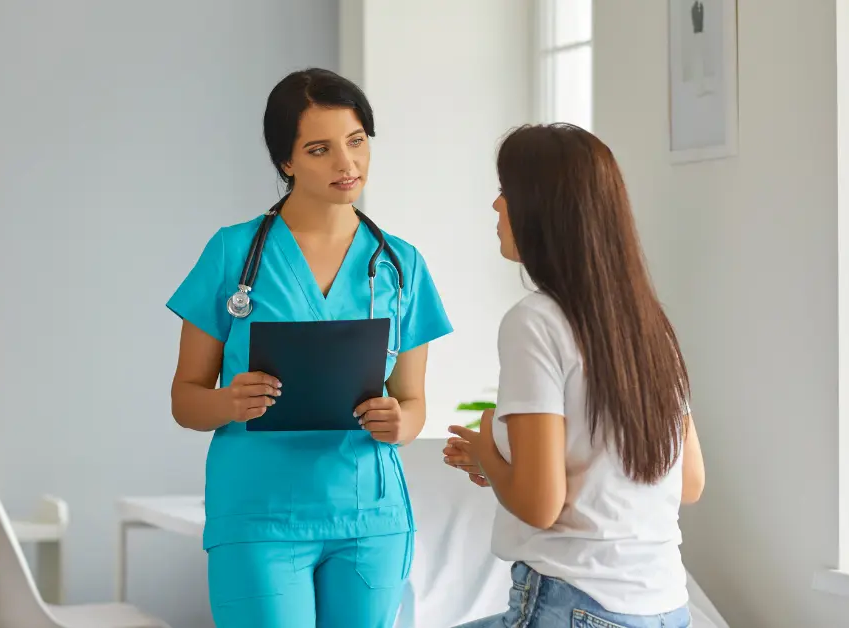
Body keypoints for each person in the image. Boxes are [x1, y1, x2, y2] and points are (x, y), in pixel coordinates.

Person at [167, 67, 453, 628]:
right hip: (259, 518)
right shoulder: (232, 254)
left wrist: (402, 422)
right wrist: (229, 402)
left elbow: (413, 403)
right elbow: (185, 400)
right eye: (320, 149)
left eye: (356, 141)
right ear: (286, 162)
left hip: (371, 518)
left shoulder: (402, 264)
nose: (346, 165)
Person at [443, 123, 705, 628]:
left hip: (576, 603)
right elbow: (688, 483)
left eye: (505, 192)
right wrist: (504, 463)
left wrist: (487, 453)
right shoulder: (650, 322)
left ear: (543, 209)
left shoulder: (534, 321)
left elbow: (540, 507)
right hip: (667, 608)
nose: (496, 207)